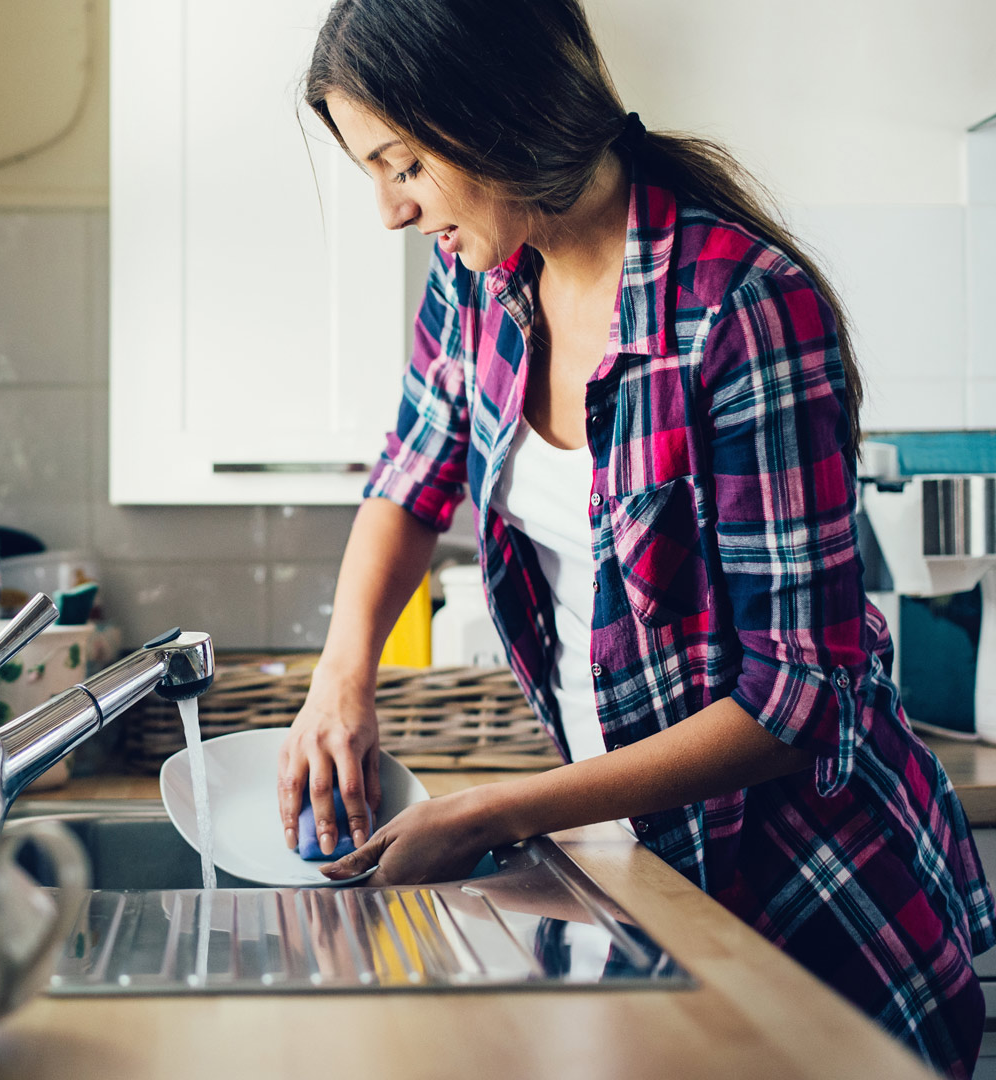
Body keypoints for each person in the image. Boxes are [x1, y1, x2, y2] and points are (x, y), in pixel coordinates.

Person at [274, 0, 996, 1074]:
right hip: (647, 875)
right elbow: (411, 480)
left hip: (827, 912)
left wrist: (499, 813)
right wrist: (343, 678)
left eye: (404, 163)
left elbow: (797, 700)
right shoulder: (479, 287)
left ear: (496, 113)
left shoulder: (744, 305)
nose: (390, 210)